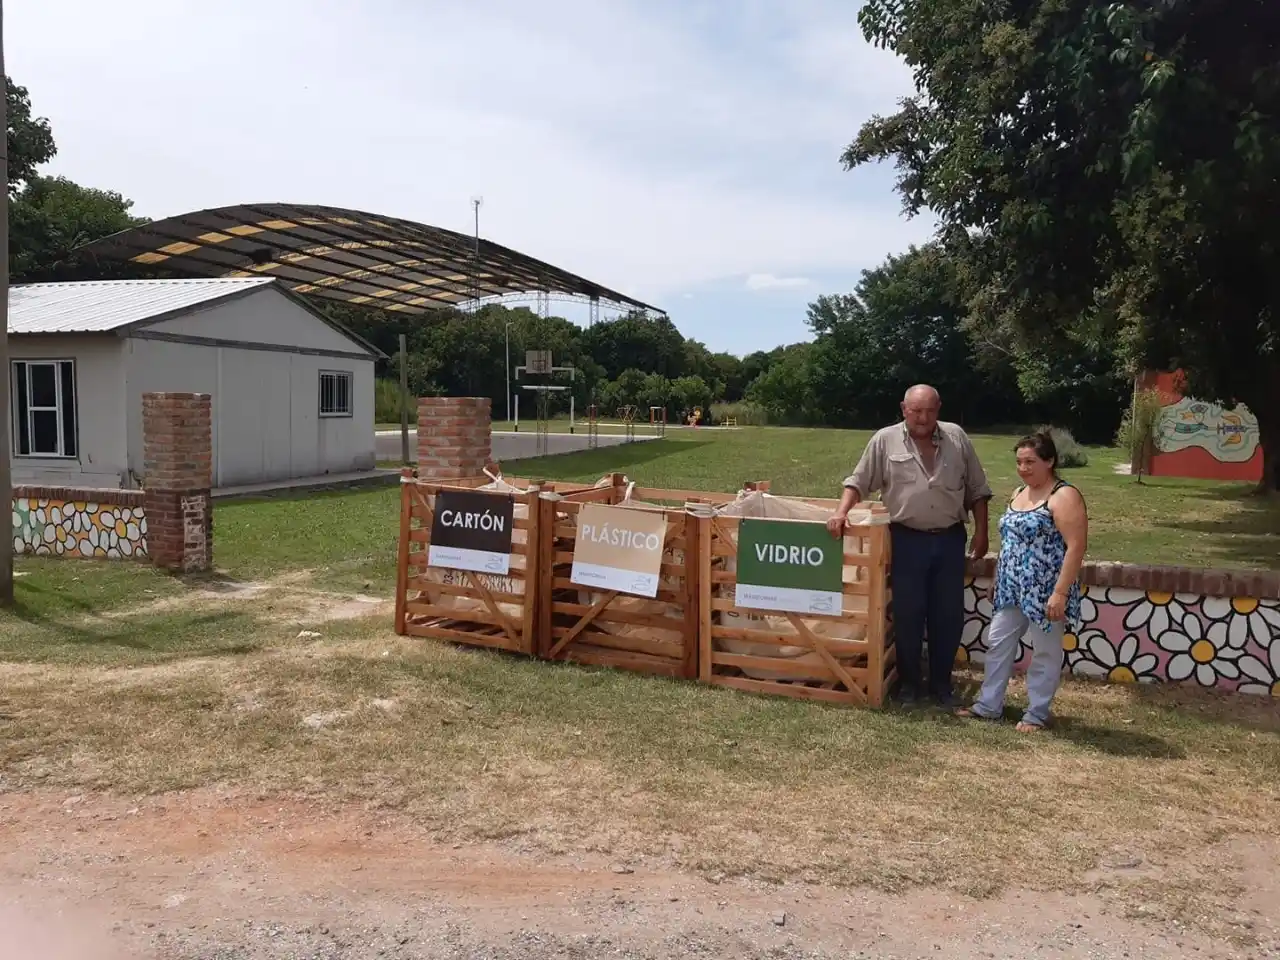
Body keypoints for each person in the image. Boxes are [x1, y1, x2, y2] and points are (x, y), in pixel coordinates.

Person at [827, 385, 992, 706]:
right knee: (908, 615)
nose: (923, 418)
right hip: (905, 539)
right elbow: (858, 481)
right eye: (916, 411)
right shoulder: (884, 440)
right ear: (904, 409)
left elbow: (977, 489)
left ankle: (942, 686)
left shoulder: (957, 437)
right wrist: (840, 511)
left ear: (939, 408)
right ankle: (909, 686)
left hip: (949, 538)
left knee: (947, 615)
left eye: (930, 411)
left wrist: (982, 533)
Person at [957, 431, 1088, 732]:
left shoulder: (1064, 496)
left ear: (1050, 461)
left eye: (1030, 462)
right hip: (1011, 585)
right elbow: (1010, 543)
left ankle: (1037, 713)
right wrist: (996, 577)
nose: (1023, 468)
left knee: (1045, 651)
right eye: (1019, 462)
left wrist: (1060, 593)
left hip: (1045, 589)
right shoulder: (1018, 493)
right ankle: (989, 705)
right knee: (998, 643)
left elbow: (1076, 547)